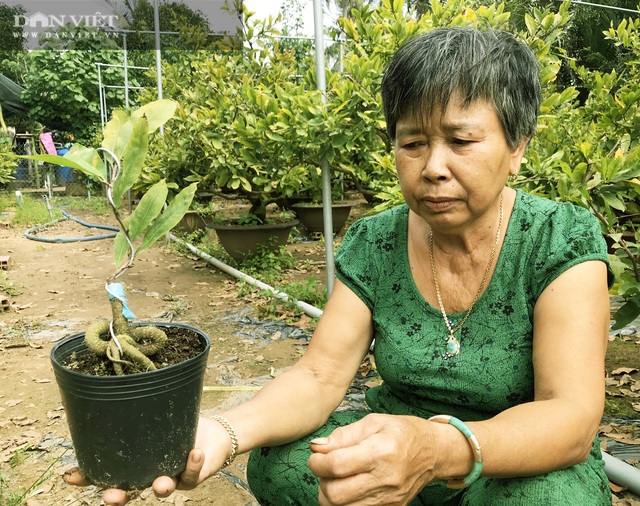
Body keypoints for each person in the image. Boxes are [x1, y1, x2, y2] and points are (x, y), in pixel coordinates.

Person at [65, 26, 613, 505]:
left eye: (461, 140)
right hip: (395, 447)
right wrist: (222, 432)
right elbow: (320, 375)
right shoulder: (376, 241)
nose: (433, 168)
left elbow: (570, 417)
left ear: (517, 145)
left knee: (548, 497)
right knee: (281, 464)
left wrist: (438, 448)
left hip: (508, 464)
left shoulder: (558, 239)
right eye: (413, 143)